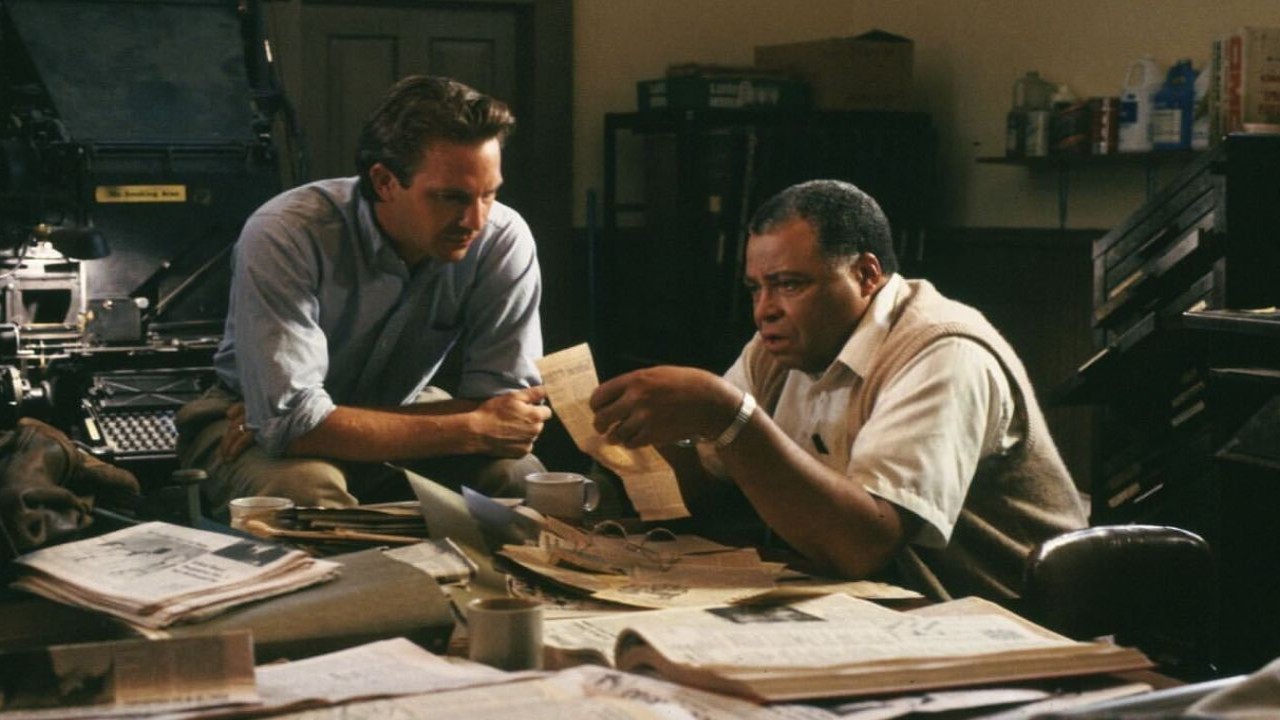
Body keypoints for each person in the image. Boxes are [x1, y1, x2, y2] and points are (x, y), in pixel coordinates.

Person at [589, 179, 1086, 601]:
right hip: (873, 606)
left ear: (866, 274)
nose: (765, 309)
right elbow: (707, 484)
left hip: (1006, 618)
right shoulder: (779, 348)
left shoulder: (942, 351)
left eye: (788, 284)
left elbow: (864, 546)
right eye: (755, 288)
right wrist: (654, 436)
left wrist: (725, 414)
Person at [176, 75, 551, 518]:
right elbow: (293, 424)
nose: (475, 219)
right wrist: (469, 425)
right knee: (305, 491)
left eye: (488, 194)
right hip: (236, 421)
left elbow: (507, 416)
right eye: (451, 198)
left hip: (401, 408)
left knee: (520, 478)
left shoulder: (503, 238)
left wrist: (308, 423)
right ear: (385, 181)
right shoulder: (287, 232)